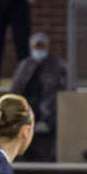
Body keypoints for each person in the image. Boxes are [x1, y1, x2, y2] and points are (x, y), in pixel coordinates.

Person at [10, 32, 67, 161]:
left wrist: (48, 114)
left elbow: (63, 90)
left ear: (47, 48)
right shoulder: (25, 66)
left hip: (50, 109)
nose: (39, 50)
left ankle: (51, 157)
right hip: (27, 108)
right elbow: (16, 89)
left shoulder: (57, 66)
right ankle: (24, 156)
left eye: (41, 47)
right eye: (36, 47)